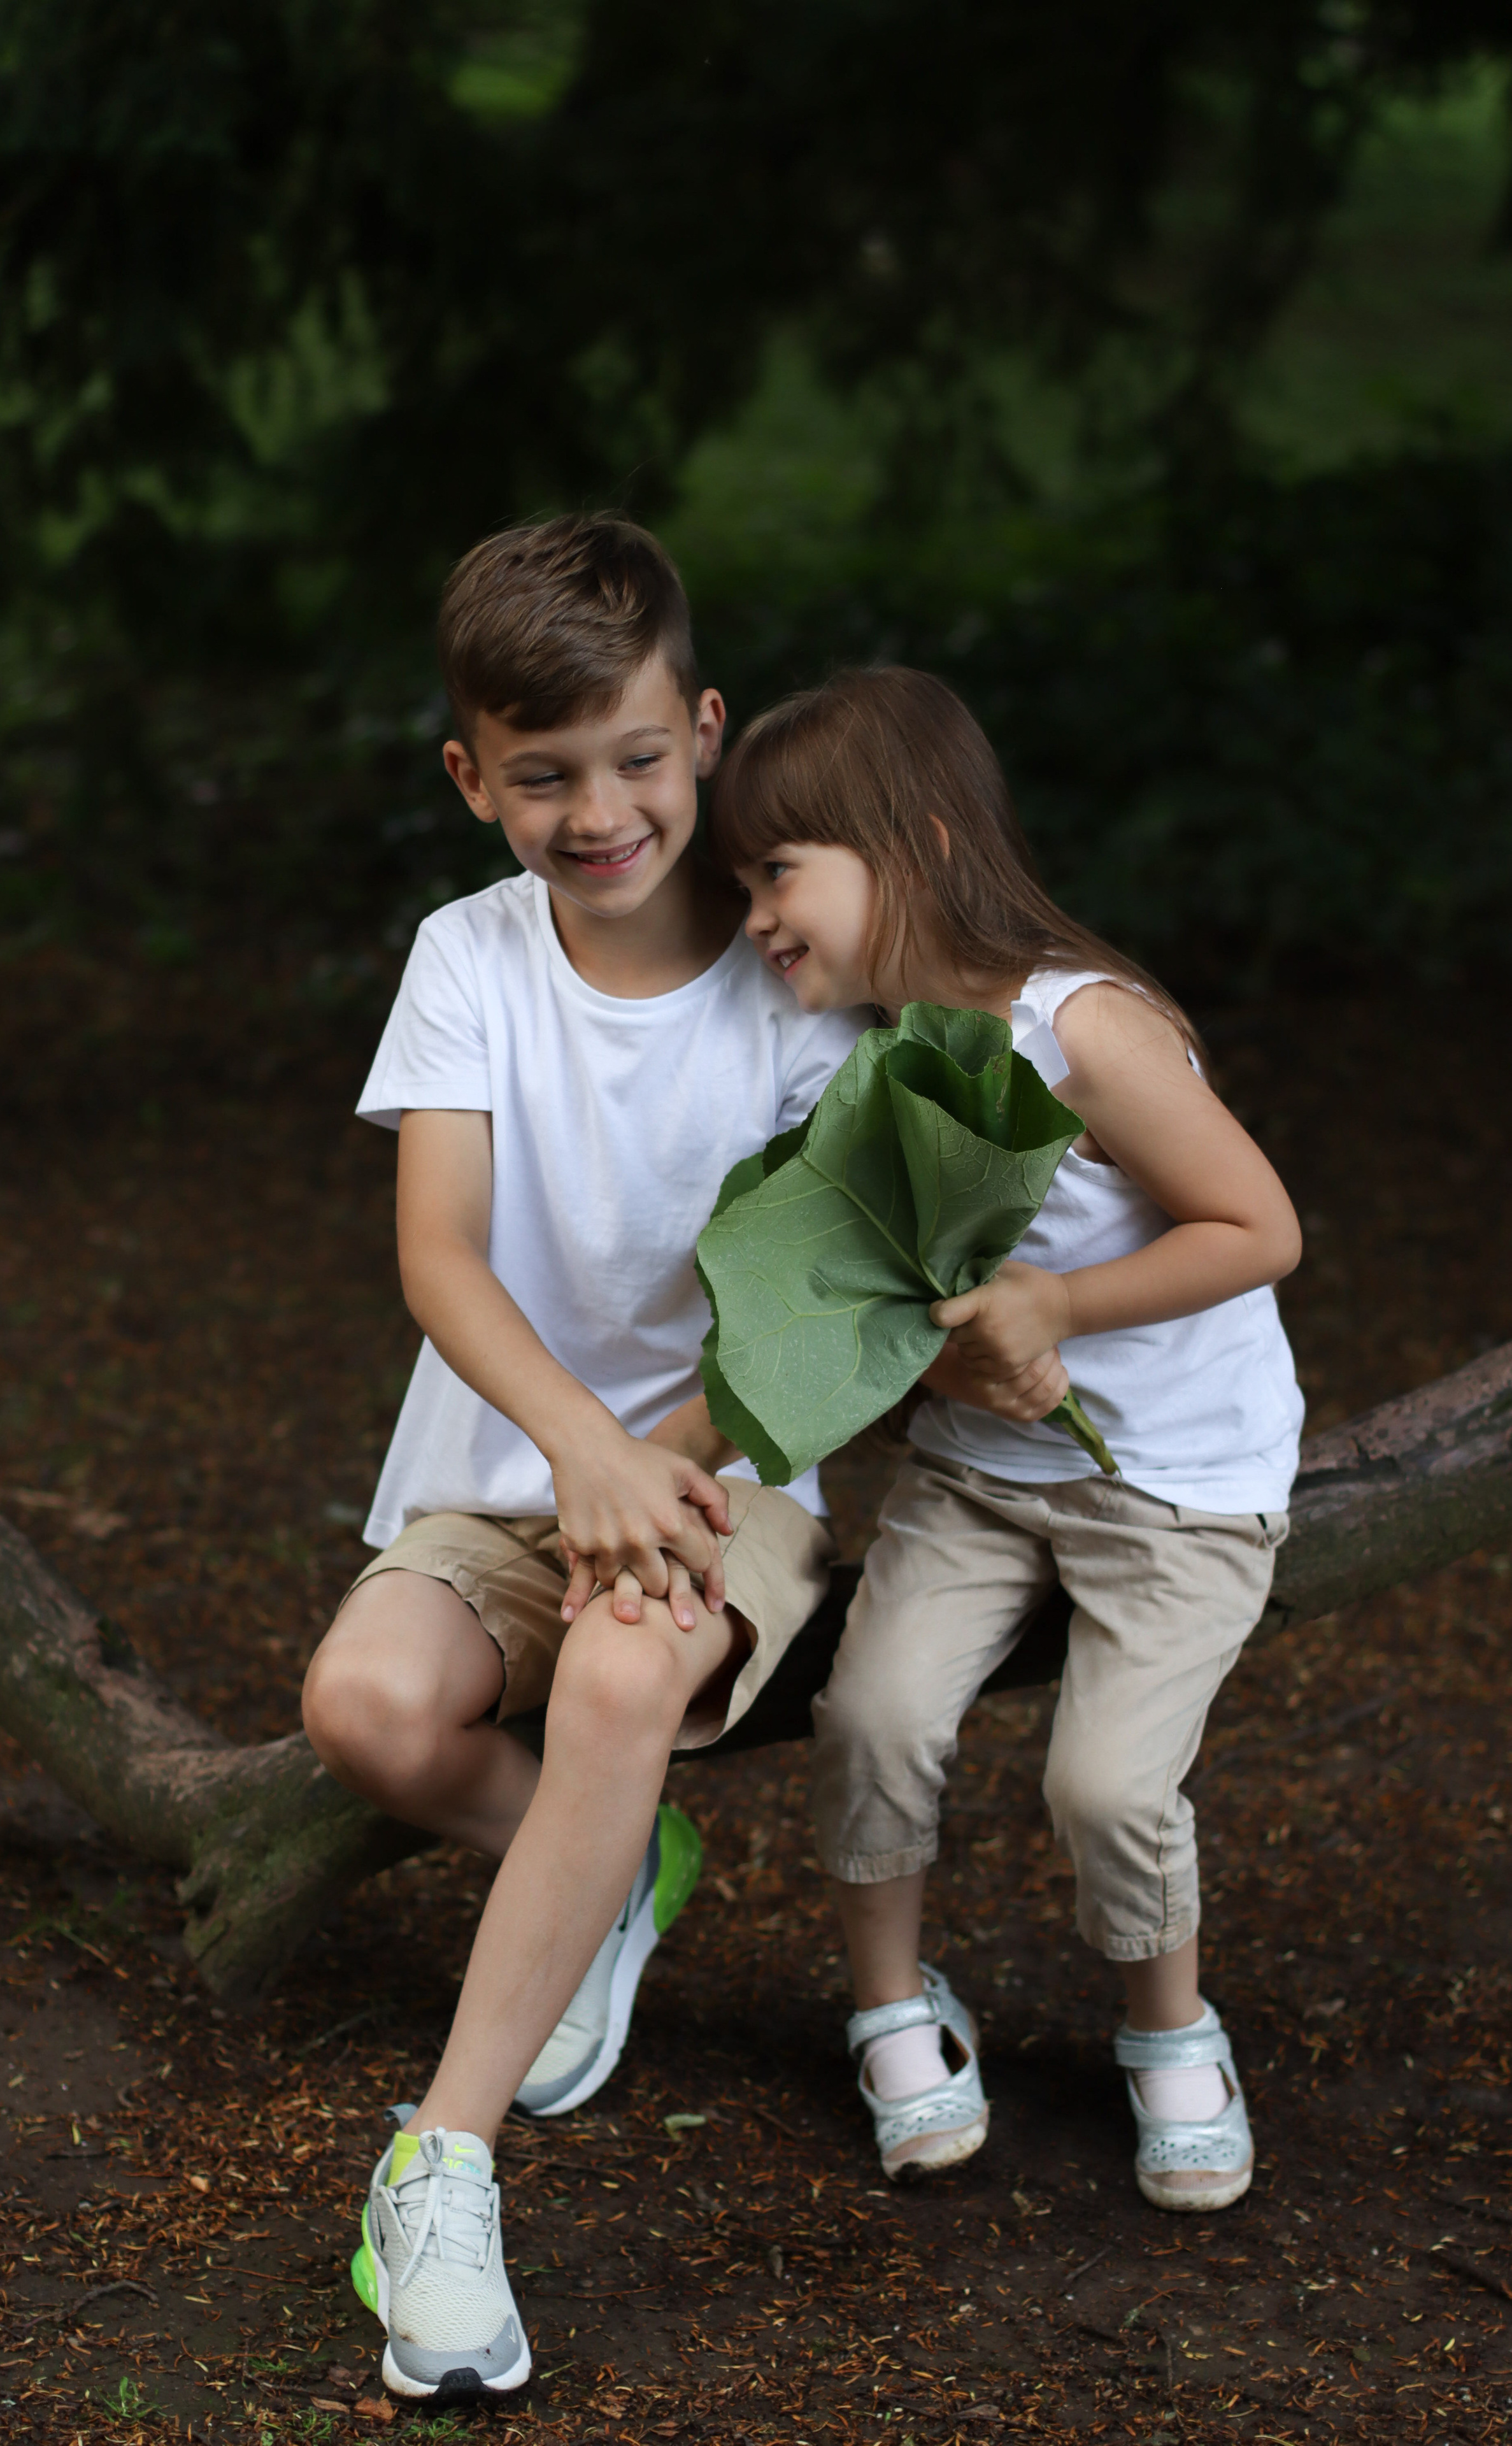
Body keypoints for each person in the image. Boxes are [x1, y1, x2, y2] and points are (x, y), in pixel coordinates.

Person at [300, 515, 863, 2399]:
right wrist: (576, 1453)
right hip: (508, 1455)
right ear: (472, 781)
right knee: (366, 1710)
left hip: (741, 1454)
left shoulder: (795, 979)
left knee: (629, 1658)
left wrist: (656, 1468)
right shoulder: (467, 957)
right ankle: (612, 1865)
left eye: (635, 758)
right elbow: (438, 1251)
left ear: (704, 731)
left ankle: (438, 2166)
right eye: (542, 776)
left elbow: (817, 1310)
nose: (600, 809)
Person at [711, 664, 1302, 2209]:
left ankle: (1170, 2031)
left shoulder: (1082, 1029)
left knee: (1102, 1786)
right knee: (869, 1719)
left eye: (779, 867)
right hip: (981, 1486)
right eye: (741, 878)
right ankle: (890, 2008)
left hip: (1172, 1486)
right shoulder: (869, 1065)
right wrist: (932, 1370)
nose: (755, 911)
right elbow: (902, 1318)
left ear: (910, 846)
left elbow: (1258, 1229)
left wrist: (1060, 1305)